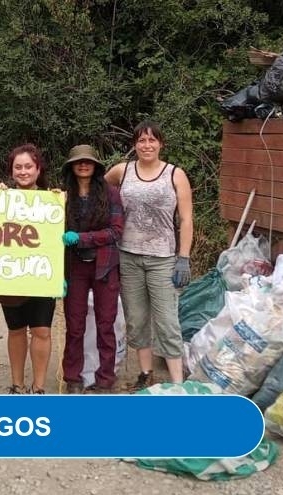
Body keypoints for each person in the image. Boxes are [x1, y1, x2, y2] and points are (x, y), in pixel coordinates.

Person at [104, 120, 193, 388]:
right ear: (134, 145)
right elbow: (95, 186)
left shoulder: (175, 174)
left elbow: (186, 220)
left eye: (152, 140)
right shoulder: (122, 171)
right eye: (141, 140)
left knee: (167, 320)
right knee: (136, 319)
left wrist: (183, 258)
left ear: (161, 144)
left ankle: (178, 383)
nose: (147, 145)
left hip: (163, 259)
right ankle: (145, 374)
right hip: (128, 256)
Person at [0, 144, 57, 394]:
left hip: (41, 274)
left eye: (28, 166)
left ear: (38, 169)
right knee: (16, 330)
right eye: (18, 167)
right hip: (9, 275)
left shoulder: (52, 199)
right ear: (11, 170)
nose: (23, 171)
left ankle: (38, 387)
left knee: (41, 330)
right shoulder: (0, 198)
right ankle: (16, 385)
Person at [60, 145, 124, 394]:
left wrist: (83, 238)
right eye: (78, 162)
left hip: (105, 267)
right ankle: (72, 378)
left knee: (105, 325)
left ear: (96, 166)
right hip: (74, 267)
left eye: (88, 162)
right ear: (71, 167)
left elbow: (115, 232)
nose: (83, 165)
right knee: (75, 326)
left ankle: (105, 378)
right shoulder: (64, 196)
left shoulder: (111, 194)